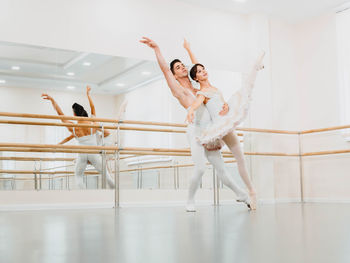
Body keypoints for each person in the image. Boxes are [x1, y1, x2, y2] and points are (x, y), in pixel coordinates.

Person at [140, 37, 253, 211]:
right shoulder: (178, 90)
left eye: (182, 65)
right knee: (200, 169)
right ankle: (190, 201)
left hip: (210, 132)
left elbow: (197, 67)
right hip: (195, 132)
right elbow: (164, 69)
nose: (182, 67)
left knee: (221, 168)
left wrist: (189, 50)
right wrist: (157, 48)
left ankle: (242, 195)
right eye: (178, 67)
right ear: (174, 74)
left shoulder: (197, 85)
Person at [185, 41, 265, 209]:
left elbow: (195, 64)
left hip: (226, 120)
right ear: (195, 78)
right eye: (199, 72)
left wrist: (189, 49)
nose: (203, 71)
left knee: (240, 159)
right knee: (238, 159)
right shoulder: (202, 92)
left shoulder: (212, 87)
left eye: (203, 69)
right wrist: (191, 110)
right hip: (220, 126)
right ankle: (251, 191)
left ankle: (250, 191)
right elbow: (197, 102)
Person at [41, 93, 115, 189]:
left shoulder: (73, 127)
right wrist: (88, 94)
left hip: (82, 154)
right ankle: (114, 193)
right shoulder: (93, 123)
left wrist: (52, 100)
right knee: (106, 174)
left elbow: (60, 114)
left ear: (74, 114)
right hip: (93, 152)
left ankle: (83, 195)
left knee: (78, 176)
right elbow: (106, 132)